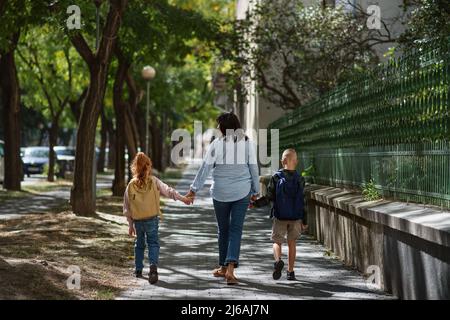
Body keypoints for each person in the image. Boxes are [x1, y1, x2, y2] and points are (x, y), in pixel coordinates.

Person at [186, 112, 260, 285]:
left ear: (225, 127)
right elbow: (254, 169)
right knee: (236, 230)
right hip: (242, 192)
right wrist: (256, 190)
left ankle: (223, 268)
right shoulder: (247, 143)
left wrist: (193, 189)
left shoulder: (216, 144)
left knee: (223, 230)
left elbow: (205, 168)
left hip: (220, 193)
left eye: (219, 124)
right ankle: (230, 270)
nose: (217, 127)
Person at [123, 152, 192, 284]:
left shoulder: (131, 185)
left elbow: (127, 206)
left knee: (139, 245)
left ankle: (138, 270)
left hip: (138, 221)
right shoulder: (154, 181)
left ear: (135, 168)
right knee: (153, 243)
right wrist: (184, 199)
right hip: (151, 219)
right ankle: (153, 268)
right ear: (148, 166)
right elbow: (168, 191)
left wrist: (130, 224)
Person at [266, 148, 307, 281]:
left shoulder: (276, 177)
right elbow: (303, 200)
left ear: (282, 161)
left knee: (277, 241)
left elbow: (269, 197)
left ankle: (278, 261)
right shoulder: (300, 179)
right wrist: (304, 219)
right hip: (295, 217)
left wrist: (255, 204)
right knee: (292, 243)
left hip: (280, 216)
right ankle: (290, 272)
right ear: (296, 162)